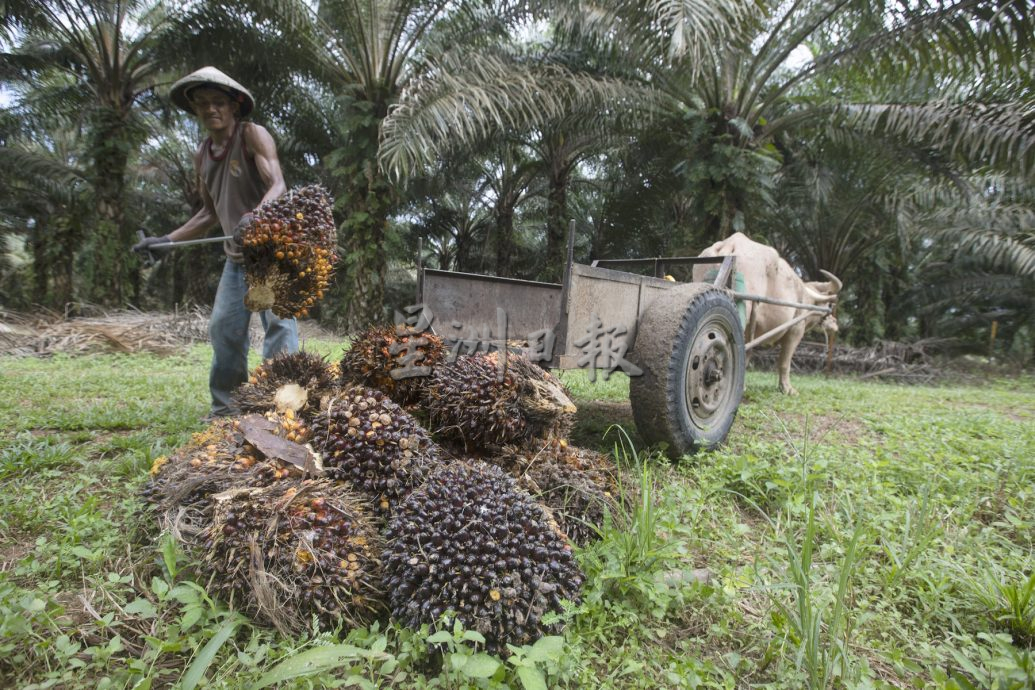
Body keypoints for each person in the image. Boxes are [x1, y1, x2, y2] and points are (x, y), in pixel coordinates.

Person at [134, 67, 298, 417]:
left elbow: (278, 186)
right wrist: (165, 240)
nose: (211, 109)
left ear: (235, 105)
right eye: (203, 104)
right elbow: (207, 214)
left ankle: (282, 407)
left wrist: (255, 217)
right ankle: (226, 409)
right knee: (224, 329)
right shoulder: (202, 155)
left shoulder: (252, 135)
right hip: (236, 259)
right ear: (195, 109)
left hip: (269, 253)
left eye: (219, 102)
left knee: (280, 327)